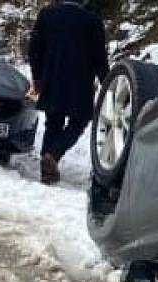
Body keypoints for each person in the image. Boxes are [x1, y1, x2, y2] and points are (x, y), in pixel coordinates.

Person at [27, 0, 109, 184]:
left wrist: (37, 77)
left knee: (53, 122)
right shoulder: (92, 21)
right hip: (80, 83)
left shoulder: (47, 15)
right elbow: (99, 58)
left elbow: (34, 50)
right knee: (79, 122)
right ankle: (52, 155)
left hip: (52, 77)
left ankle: (47, 166)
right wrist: (108, 82)